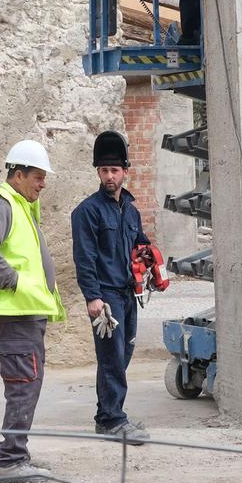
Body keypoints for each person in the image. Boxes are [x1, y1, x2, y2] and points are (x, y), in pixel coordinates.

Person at [0, 140, 66, 481]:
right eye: (38, 177)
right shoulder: (4, 204)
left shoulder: (21, 207)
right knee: (23, 384)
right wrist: (10, 280)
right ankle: (10, 461)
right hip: (13, 314)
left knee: (27, 382)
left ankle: (17, 455)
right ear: (18, 173)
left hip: (22, 314)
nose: (43, 184)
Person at [71, 130, 152, 444]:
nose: (109, 176)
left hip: (128, 293)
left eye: (114, 170)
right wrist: (93, 297)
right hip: (105, 297)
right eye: (104, 171)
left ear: (124, 171)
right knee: (111, 358)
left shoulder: (131, 210)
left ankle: (107, 414)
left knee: (124, 353)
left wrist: (148, 257)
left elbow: (139, 245)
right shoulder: (87, 212)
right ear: (98, 172)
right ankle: (113, 420)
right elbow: (85, 258)